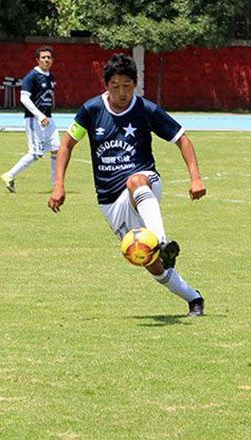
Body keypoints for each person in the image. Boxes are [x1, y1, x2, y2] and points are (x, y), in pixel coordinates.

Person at [48, 53, 207, 316]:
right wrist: (58, 185)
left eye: (127, 86)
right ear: (106, 86)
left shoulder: (147, 109)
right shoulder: (91, 110)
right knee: (148, 261)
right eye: (115, 86)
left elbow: (182, 139)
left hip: (144, 184)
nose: (121, 92)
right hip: (109, 201)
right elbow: (66, 144)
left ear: (135, 85)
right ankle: (194, 298)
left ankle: (163, 243)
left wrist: (196, 177)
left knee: (136, 180)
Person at [1, 46, 59, 193]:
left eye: (49, 57)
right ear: (37, 60)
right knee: (36, 153)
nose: (46, 60)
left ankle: (55, 185)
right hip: (35, 119)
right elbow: (24, 98)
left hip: (48, 118)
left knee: (56, 149)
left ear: (53, 60)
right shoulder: (32, 76)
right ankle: (9, 175)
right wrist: (39, 115)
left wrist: (46, 115)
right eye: (43, 57)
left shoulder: (50, 76)